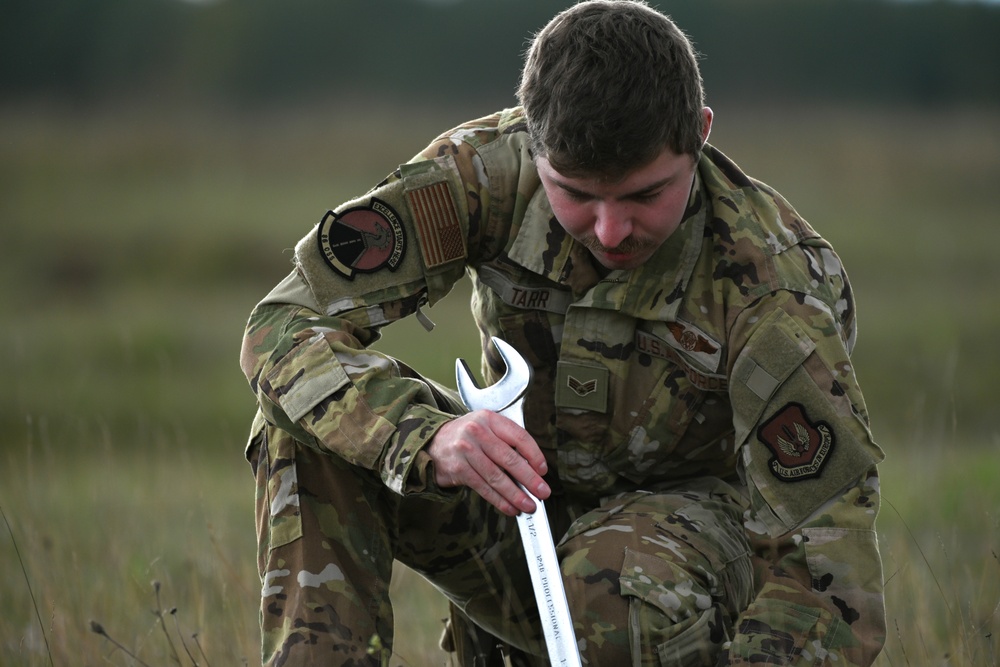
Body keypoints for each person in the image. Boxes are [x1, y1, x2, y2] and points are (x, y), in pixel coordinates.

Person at [239, 1, 886, 664]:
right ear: (533, 141)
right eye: (575, 194)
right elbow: (281, 325)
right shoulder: (482, 175)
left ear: (700, 133)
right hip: (514, 503)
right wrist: (422, 435)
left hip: (689, 547)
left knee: (612, 587)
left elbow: (829, 576)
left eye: (644, 195)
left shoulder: (772, 285)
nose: (611, 230)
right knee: (306, 428)